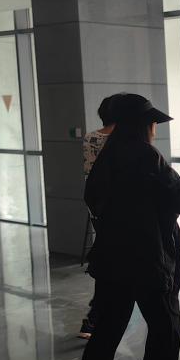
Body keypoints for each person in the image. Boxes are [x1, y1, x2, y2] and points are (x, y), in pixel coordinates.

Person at [69, 94, 180, 360]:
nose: (154, 128)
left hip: (112, 257)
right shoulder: (148, 156)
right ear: (142, 125)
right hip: (149, 256)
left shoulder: (107, 156)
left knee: (107, 330)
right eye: (152, 122)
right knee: (165, 321)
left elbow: (93, 198)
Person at [79, 93, 123, 339]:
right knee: (114, 264)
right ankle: (95, 317)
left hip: (97, 205)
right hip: (118, 207)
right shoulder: (120, 140)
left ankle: (96, 316)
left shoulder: (90, 137)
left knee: (109, 258)